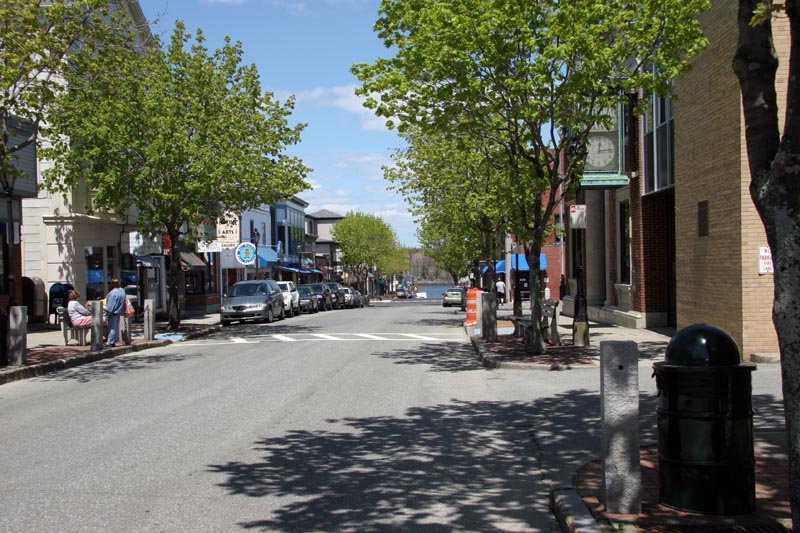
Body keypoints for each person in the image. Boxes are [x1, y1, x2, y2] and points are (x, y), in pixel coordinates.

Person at [104, 278, 126, 347]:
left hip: (113, 312)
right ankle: (114, 340)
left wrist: (107, 314)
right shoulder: (122, 291)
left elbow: (110, 306)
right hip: (119, 311)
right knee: (116, 327)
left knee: (112, 327)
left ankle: (110, 341)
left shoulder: (113, 293)